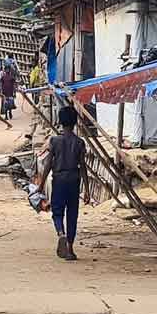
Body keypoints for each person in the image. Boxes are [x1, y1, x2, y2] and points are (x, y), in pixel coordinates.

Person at [40, 106, 90, 261]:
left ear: (60, 122)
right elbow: (83, 167)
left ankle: (61, 233)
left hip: (59, 179)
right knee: (72, 214)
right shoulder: (79, 142)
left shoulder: (55, 141)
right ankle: (70, 248)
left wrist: (41, 184)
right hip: (74, 180)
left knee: (57, 211)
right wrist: (87, 190)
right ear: (75, 122)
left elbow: (48, 164)